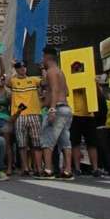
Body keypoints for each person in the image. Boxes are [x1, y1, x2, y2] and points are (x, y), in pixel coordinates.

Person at [39, 47, 74, 179]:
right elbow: (66, 92)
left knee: (47, 139)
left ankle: (48, 170)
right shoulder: (60, 72)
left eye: (43, 57)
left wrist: (52, 108)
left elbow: (54, 90)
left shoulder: (51, 71)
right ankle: (67, 170)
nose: (42, 59)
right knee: (65, 140)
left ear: (47, 57)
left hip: (57, 109)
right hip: (66, 108)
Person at [8, 60, 43, 176]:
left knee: (36, 143)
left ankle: (38, 168)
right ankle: (25, 168)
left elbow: (45, 82)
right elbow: (6, 81)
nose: (22, 68)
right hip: (19, 115)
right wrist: (12, 67)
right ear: (16, 69)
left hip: (34, 114)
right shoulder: (13, 81)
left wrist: (43, 68)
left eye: (24, 66)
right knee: (22, 144)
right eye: (19, 67)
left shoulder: (33, 80)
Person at [69, 62, 100, 176]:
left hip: (89, 114)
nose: (77, 70)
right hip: (75, 114)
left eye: (79, 68)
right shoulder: (70, 80)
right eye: (75, 68)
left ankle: (95, 168)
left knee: (92, 143)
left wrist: (95, 84)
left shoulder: (89, 79)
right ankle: (77, 168)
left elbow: (98, 96)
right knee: (75, 143)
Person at [0, 74, 14, 175]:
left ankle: (9, 167)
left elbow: (12, 106)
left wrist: (11, 119)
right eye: (0, 79)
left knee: (7, 144)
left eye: (3, 79)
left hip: (5, 119)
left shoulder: (8, 92)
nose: (1, 80)